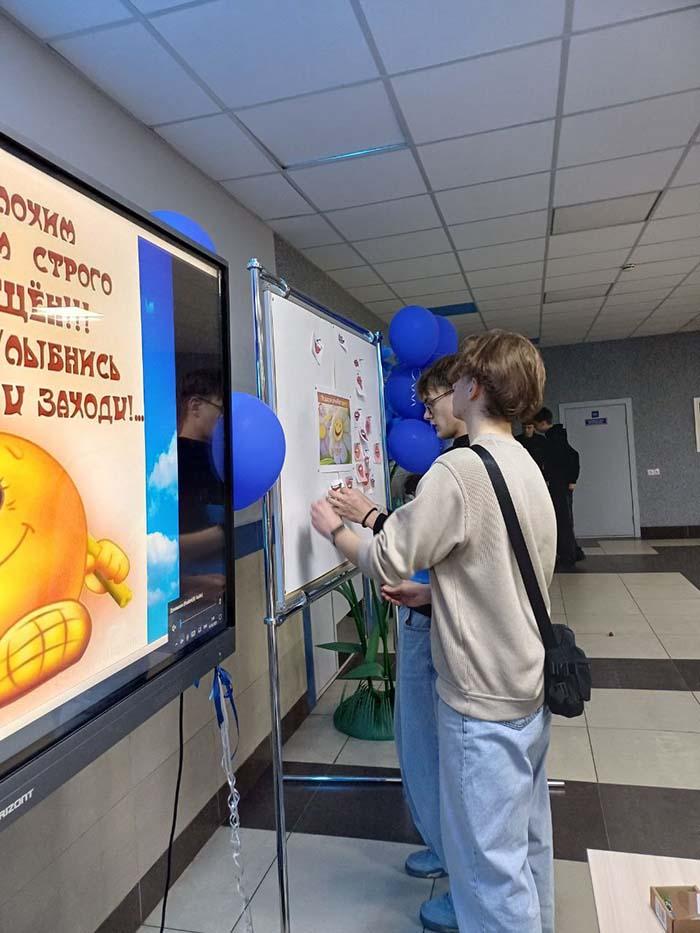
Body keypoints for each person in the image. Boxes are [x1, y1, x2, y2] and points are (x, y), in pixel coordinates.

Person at [312, 331, 556, 933]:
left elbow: (385, 559)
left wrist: (336, 532)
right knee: (526, 850)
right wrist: (435, 593)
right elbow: (498, 571)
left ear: (473, 387)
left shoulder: (460, 469)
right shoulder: (524, 461)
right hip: (527, 687)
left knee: (488, 873)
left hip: (482, 700)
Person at [327, 353, 468, 933]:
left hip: (452, 636)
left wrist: (356, 523)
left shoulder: (458, 471)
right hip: (432, 611)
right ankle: (444, 847)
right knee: (425, 746)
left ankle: (466, 886)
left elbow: (399, 550)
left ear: (464, 393)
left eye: (432, 403)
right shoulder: (466, 465)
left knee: (450, 760)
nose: (427, 416)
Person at [177, 369, 226, 595]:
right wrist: (225, 533)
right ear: (195, 406)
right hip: (198, 589)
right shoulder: (176, 461)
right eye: (220, 410)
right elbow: (168, 546)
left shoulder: (217, 457)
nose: (223, 419)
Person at [532, 408, 581, 569]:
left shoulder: (555, 438)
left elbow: (573, 456)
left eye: (535, 424)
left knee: (563, 520)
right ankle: (572, 552)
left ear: (542, 423)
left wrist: (572, 479)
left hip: (560, 484)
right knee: (564, 519)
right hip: (560, 483)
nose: (535, 428)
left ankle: (568, 556)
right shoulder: (555, 436)